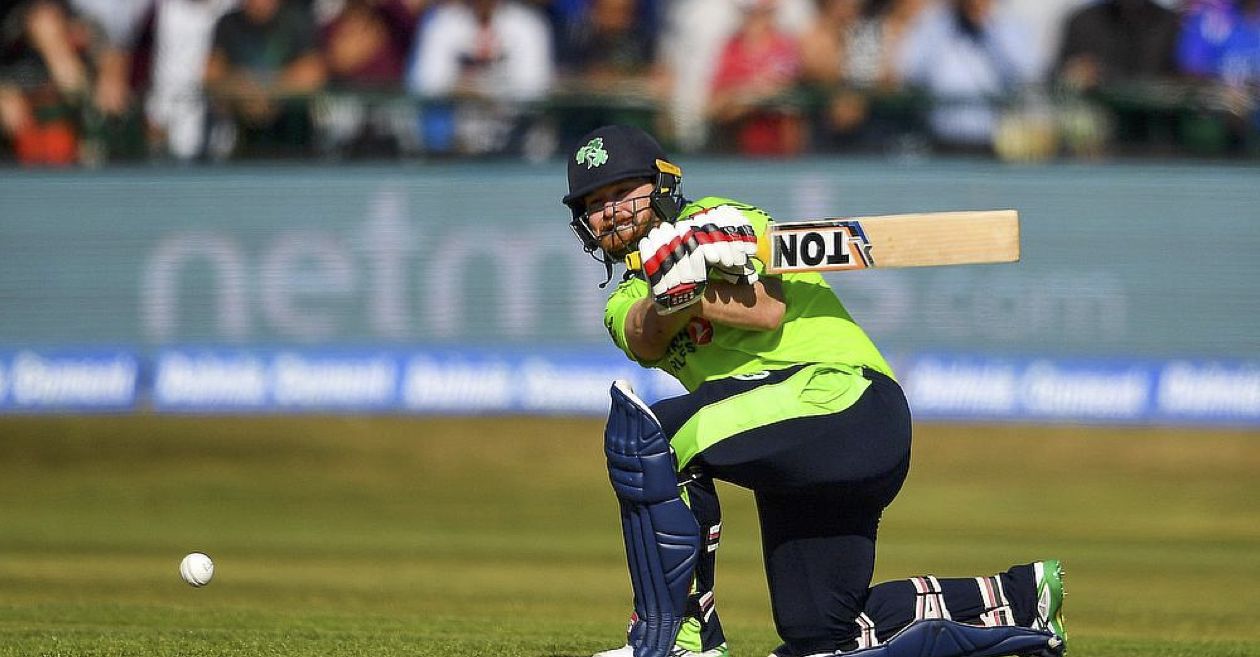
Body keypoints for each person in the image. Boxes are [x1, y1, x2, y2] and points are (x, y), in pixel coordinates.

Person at [562, 124, 1068, 657]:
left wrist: (701, 260)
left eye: (622, 193)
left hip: (845, 401)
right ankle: (1019, 601)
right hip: (802, 456)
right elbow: (646, 333)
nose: (610, 212)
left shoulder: (715, 218)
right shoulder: (622, 303)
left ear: (662, 184)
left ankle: (680, 638)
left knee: (654, 436)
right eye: (595, 204)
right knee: (821, 632)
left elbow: (766, 308)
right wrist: (672, 293)